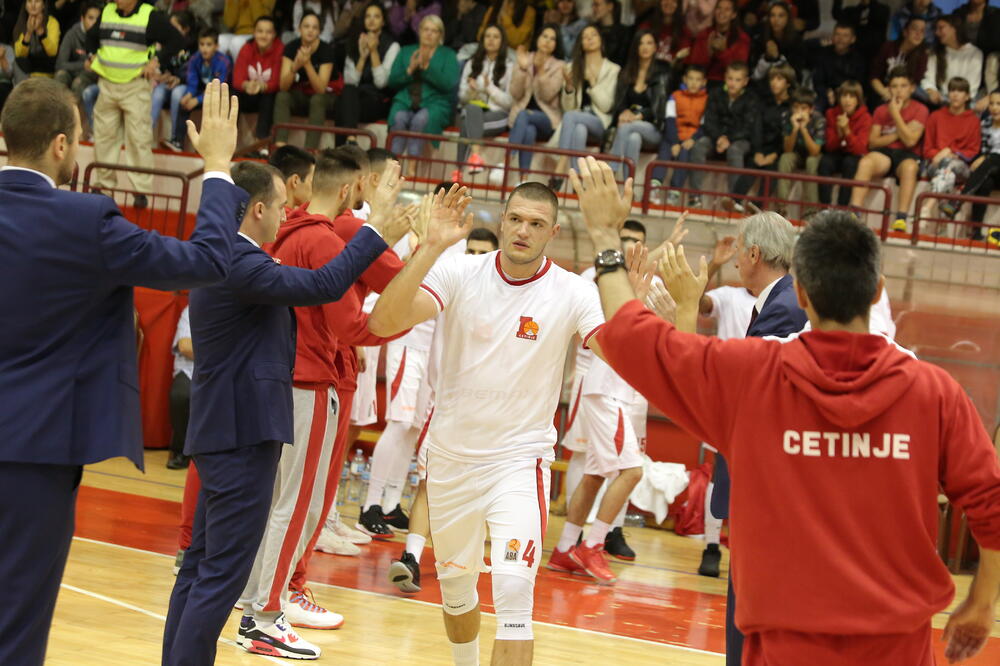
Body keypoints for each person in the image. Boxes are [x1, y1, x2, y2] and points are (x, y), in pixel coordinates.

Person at [573, 156, 1000, 666]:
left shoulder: (751, 375)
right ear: (878, 290)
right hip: (897, 649)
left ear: (800, 291)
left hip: (782, 648)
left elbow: (634, 339)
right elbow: (992, 504)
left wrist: (604, 236)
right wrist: (981, 604)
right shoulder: (936, 393)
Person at [0, 77, 242, 666]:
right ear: (62, 145)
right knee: (15, 623)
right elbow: (208, 260)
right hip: (34, 451)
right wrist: (215, 166)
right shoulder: (84, 221)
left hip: (34, 446)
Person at [163, 158, 405, 666]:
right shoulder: (243, 262)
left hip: (219, 429)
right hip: (241, 435)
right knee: (221, 576)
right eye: (278, 205)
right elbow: (323, 285)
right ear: (254, 210)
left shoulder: (220, 254)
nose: (285, 213)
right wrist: (376, 227)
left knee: (200, 568)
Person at [367, 180, 607, 666]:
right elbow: (383, 323)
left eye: (536, 224)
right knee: (457, 594)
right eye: (516, 219)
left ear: (553, 232)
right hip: (451, 462)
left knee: (515, 592)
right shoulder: (458, 271)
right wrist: (430, 247)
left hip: (518, 463)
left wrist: (638, 313)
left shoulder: (575, 292)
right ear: (501, 221)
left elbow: (624, 356)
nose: (523, 231)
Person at [235, 149, 409, 653]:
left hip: (275, 379)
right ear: (356, 188)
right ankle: (266, 616)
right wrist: (407, 315)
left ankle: (253, 599)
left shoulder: (287, 235)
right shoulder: (323, 240)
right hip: (308, 381)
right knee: (301, 505)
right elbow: (352, 326)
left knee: (276, 502)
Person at [545, 223, 649, 584]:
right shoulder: (600, 287)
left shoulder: (629, 287)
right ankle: (593, 545)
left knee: (593, 476)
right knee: (632, 471)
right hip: (607, 389)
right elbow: (610, 336)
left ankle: (564, 549)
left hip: (611, 390)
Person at [86, 0, 184, 209]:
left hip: (135, 86)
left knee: (138, 139)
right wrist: (90, 55)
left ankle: (141, 191)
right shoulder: (107, 11)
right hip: (107, 85)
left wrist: (156, 61)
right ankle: (103, 186)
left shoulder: (150, 16)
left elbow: (176, 40)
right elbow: (90, 37)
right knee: (104, 137)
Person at [850, 66, 929, 232]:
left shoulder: (921, 109)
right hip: (885, 153)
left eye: (903, 86)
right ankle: (855, 212)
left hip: (907, 154)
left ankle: (901, 218)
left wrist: (895, 114)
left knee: (910, 167)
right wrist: (899, 132)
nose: (898, 90)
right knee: (866, 162)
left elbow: (910, 141)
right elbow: (873, 142)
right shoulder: (880, 110)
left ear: (912, 88)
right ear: (888, 89)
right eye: (894, 86)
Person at [550, 24, 621, 190]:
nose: (589, 39)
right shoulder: (571, 67)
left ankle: (560, 167)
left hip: (599, 121)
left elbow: (606, 105)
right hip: (576, 119)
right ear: (580, 43)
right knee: (579, 128)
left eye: (593, 35)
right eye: (585, 36)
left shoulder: (613, 70)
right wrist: (568, 87)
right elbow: (568, 108)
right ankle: (579, 180)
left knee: (572, 118)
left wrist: (593, 83)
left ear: (601, 40)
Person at [387, 14, 459, 172]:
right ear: (419, 31)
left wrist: (427, 67)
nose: (429, 33)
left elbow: (448, 84)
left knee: (420, 119)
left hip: (435, 104)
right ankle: (392, 166)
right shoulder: (406, 51)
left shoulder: (448, 55)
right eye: (425, 29)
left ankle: (412, 168)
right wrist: (410, 70)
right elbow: (392, 81)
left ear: (440, 35)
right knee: (399, 117)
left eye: (434, 31)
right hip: (405, 101)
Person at [688, 60, 759, 206]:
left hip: (741, 139)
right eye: (730, 78)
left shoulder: (751, 98)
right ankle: (695, 197)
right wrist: (719, 137)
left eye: (738, 80)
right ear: (725, 78)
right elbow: (709, 121)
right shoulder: (716, 94)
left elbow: (748, 126)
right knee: (699, 145)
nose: (733, 83)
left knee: (735, 150)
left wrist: (729, 139)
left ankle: (735, 199)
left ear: (745, 81)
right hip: (716, 137)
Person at [608, 31, 672, 178]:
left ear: (655, 47)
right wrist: (624, 112)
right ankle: (628, 185)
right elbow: (620, 102)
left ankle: (611, 170)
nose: (645, 47)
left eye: (649, 43)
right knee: (633, 138)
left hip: (654, 126)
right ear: (635, 47)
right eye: (641, 43)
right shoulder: (627, 72)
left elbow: (661, 107)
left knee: (627, 127)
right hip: (632, 125)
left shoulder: (663, 73)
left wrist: (640, 116)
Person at [334, 2, 400, 146]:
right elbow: (351, 81)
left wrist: (374, 51)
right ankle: (351, 141)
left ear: (383, 21)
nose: (371, 20)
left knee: (343, 106)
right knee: (346, 96)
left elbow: (381, 82)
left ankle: (339, 153)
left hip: (378, 100)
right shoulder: (353, 41)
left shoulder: (392, 45)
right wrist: (363, 57)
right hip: (356, 98)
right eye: (368, 16)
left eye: (376, 16)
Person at [921, 76, 981, 231]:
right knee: (948, 172)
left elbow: (973, 151)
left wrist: (951, 152)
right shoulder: (935, 117)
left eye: (960, 91)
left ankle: (928, 206)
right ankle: (944, 217)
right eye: (952, 90)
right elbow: (927, 149)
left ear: (967, 96)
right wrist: (941, 155)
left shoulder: (973, 121)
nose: (955, 94)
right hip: (935, 164)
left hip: (961, 166)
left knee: (950, 166)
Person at [455, 23, 513, 172]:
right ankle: (475, 157)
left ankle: (459, 172)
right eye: (487, 36)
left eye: (495, 37)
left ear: (502, 41)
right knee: (471, 109)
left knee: (467, 124)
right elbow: (462, 97)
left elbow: (509, 102)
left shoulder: (509, 66)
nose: (491, 40)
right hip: (475, 111)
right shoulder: (472, 63)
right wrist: (471, 91)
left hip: (498, 115)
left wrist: (490, 88)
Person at [507, 23, 564, 173]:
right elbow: (515, 93)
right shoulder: (524, 59)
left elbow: (547, 95)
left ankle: (507, 160)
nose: (547, 41)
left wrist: (541, 71)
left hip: (547, 119)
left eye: (552, 39)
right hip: (522, 119)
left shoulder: (559, 66)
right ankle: (523, 179)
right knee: (529, 130)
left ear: (556, 44)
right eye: (544, 36)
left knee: (525, 115)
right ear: (537, 38)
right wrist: (523, 68)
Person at [944, 88, 1000, 238]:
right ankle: (976, 231)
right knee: (986, 182)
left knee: (994, 158)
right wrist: (982, 158)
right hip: (992, 171)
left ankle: (959, 200)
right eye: (992, 103)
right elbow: (977, 149)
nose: (994, 107)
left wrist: (986, 157)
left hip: (994, 163)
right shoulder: (985, 124)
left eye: (999, 104)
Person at [274, 10, 334, 149]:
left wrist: (306, 64)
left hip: (325, 97)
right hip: (301, 94)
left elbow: (320, 89)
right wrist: (295, 66)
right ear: (299, 28)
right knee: (282, 96)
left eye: (314, 27)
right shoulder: (290, 48)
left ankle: (309, 151)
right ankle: (280, 147)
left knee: (317, 99)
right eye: (306, 26)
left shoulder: (326, 50)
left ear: (319, 31)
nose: (310, 31)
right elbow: (283, 86)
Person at [166, 28, 232, 152]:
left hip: (220, 93)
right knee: (184, 102)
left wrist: (197, 100)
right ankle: (178, 141)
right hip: (202, 90)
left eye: (209, 45)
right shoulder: (195, 58)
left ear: (216, 46)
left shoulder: (224, 62)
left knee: (214, 105)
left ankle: (208, 146)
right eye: (201, 44)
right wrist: (189, 95)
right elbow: (192, 80)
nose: (204, 48)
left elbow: (219, 88)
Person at [649, 64, 708, 205]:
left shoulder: (706, 100)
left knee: (684, 156)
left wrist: (693, 139)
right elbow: (670, 120)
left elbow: (704, 125)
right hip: (673, 135)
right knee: (664, 153)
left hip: (690, 139)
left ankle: (674, 192)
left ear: (704, 82)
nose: (694, 82)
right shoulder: (675, 96)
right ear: (684, 79)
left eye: (698, 79)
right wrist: (674, 141)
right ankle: (654, 188)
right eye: (691, 78)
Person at [818, 80, 872, 206]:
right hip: (836, 152)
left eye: (852, 96)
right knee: (825, 162)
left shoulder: (865, 117)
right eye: (844, 96)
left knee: (850, 164)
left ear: (858, 99)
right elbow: (829, 146)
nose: (847, 100)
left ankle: (842, 208)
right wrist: (839, 134)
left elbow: (860, 149)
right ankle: (824, 207)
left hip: (853, 154)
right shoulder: (831, 113)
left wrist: (847, 131)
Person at [234, 15, 284, 145]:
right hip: (248, 93)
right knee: (233, 94)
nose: (263, 36)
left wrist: (261, 87)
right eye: (260, 31)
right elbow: (237, 79)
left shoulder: (280, 49)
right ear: (254, 33)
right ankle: (228, 138)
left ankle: (260, 143)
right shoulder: (247, 47)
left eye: (268, 32)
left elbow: (277, 82)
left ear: (274, 35)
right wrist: (247, 85)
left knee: (270, 97)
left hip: (266, 94)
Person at [775, 87, 825, 212]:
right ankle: (781, 207)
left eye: (803, 108)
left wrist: (804, 129)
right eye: (796, 107)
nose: (799, 112)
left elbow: (815, 151)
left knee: (812, 161)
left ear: (811, 109)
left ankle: (811, 211)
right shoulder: (788, 117)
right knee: (785, 158)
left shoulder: (819, 120)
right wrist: (795, 129)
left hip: (813, 155)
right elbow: (787, 149)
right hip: (796, 153)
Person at [922, 14, 983, 108]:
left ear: (954, 28)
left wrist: (956, 98)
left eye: (941, 28)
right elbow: (928, 78)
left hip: (965, 103)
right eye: (936, 29)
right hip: (941, 101)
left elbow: (972, 87)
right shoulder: (936, 53)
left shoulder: (975, 54)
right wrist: (931, 90)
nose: (937, 33)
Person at [870, 16, 928, 110]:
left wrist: (898, 94)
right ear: (905, 32)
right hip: (884, 90)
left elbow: (915, 83)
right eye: (915, 29)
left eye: (922, 31)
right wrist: (884, 92)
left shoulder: (922, 56)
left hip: (906, 95)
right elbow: (874, 76)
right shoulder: (888, 47)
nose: (918, 34)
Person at [688, 0, 749, 86]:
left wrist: (723, 52)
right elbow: (695, 65)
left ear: (734, 14)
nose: (722, 12)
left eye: (727, 9)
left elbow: (739, 70)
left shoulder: (742, 39)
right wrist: (708, 52)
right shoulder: (704, 34)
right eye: (718, 8)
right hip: (703, 83)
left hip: (728, 84)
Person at [810, 22, 867, 112]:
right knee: (816, 108)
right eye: (837, 34)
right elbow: (818, 81)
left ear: (853, 39)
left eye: (845, 36)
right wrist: (827, 92)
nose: (840, 39)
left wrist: (841, 93)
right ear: (833, 36)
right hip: (826, 95)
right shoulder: (823, 54)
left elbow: (859, 83)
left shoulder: (858, 59)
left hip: (849, 94)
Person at [748, 0, 803, 89]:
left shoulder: (796, 42)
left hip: (787, 87)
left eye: (781, 16)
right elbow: (755, 76)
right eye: (772, 15)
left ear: (788, 18)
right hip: (762, 86)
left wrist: (777, 58)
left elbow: (795, 76)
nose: (776, 20)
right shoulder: (761, 39)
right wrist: (767, 58)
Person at [54, 1, 100, 102]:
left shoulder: (102, 36)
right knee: (60, 75)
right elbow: (60, 64)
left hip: (93, 75)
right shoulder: (72, 34)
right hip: (74, 71)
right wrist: (83, 65)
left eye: (97, 19)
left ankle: (77, 116)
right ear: (82, 19)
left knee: (78, 83)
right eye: (90, 18)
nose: (94, 23)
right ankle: (58, 115)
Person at [168, 305, 194, 470]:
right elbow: (185, 347)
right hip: (191, 369)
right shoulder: (191, 309)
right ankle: (181, 451)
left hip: (225, 370)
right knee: (180, 395)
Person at [13, 0, 59, 78]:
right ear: (25, 5)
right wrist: (28, 32)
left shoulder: (52, 22)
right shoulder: (21, 23)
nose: (33, 5)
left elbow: (53, 52)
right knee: (17, 62)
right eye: (30, 1)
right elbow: (19, 54)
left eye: (37, 1)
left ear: (44, 5)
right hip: (28, 69)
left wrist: (40, 30)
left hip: (46, 68)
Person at [637, 0, 693, 65]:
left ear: (678, 5)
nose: (669, 2)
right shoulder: (646, 26)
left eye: (674, 1)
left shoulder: (684, 32)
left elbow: (682, 62)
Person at [269, 144, 316, 209]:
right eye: (312, 182)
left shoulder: (268, 213)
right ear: (295, 181)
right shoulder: (295, 218)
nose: (315, 189)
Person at [591, 0, 631, 65]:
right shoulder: (591, 29)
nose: (593, 8)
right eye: (592, 5)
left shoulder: (624, 32)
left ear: (610, 6)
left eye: (597, 5)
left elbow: (624, 60)